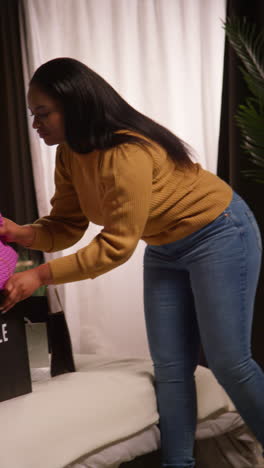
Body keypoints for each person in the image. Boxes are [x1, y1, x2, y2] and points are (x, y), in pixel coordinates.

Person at [0, 57, 263, 467]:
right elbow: (68, 224)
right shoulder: (69, 155)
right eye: (33, 114)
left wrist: (40, 275)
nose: (36, 124)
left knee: (230, 362)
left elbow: (116, 246)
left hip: (219, 232)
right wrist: (23, 234)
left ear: (76, 105)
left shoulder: (126, 152)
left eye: (43, 113)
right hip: (164, 246)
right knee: (171, 368)